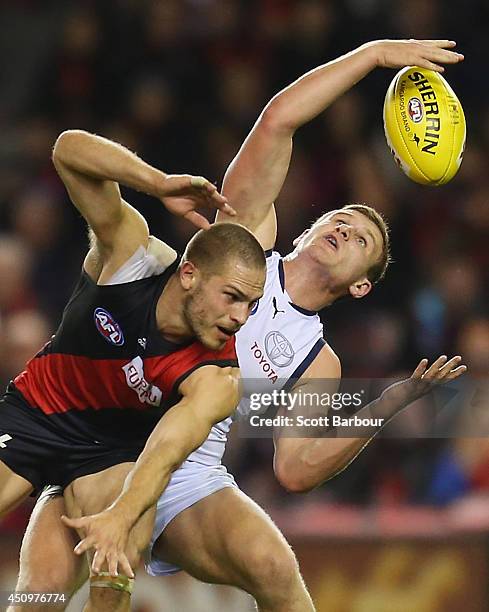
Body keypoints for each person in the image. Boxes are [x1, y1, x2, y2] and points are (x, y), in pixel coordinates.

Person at [10, 39, 465, 612]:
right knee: (37, 602)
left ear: (361, 287)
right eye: (339, 218)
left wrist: (389, 402)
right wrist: (372, 56)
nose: (345, 229)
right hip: (107, 429)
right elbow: (279, 121)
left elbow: (294, 468)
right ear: (304, 230)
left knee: (277, 569)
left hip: (189, 470)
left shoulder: (318, 360)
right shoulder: (245, 244)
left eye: (361, 239)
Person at [1, 129, 266, 611]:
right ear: (189, 275)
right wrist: (158, 182)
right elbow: (67, 150)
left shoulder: (218, 378)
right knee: (37, 598)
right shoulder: (133, 258)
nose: (240, 318)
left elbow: (163, 454)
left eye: (251, 304)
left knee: (111, 571)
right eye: (231, 297)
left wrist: (121, 517)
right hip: (38, 410)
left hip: (112, 455)